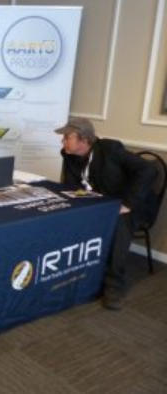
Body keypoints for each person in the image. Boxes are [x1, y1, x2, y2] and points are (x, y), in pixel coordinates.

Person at [55, 117, 156, 310]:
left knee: (118, 222)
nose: (63, 141)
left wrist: (128, 203)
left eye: (67, 137)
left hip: (128, 204)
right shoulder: (69, 155)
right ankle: (75, 273)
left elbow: (149, 170)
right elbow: (71, 187)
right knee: (67, 215)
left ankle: (114, 285)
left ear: (84, 139)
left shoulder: (110, 150)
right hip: (99, 203)